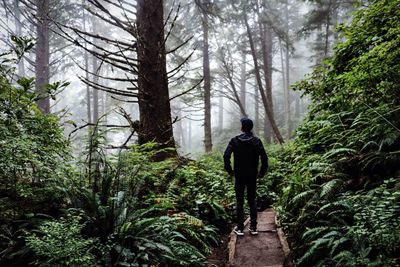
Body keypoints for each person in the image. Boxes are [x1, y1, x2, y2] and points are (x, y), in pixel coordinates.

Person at [223, 118, 268, 236]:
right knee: (252, 200)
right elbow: (264, 158)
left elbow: (226, 155)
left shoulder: (234, 140)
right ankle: (253, 227)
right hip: (252, 175)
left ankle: (240, 228)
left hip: (239, 175)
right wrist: (262, 172)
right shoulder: (257, 141)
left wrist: (229, 170)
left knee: (239, 201)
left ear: (242, 127)